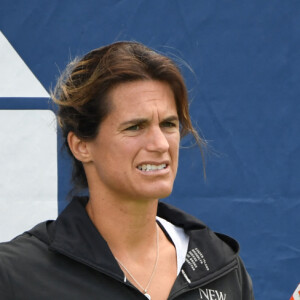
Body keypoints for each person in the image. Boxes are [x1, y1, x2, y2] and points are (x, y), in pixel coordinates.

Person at [0, 41, 254, 299]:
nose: (160, 144)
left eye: (168, 124)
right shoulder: (17, 273)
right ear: (81, 146)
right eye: (135, 127)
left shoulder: (221, 266)